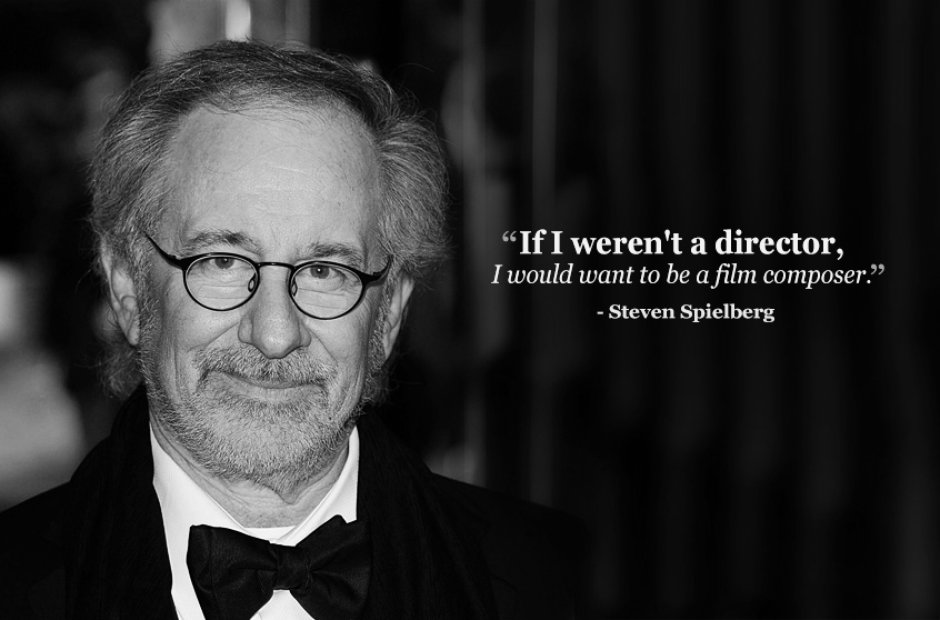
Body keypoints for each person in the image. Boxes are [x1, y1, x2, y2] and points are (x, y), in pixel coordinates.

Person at [0, 41, 581, 619]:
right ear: (127, 286)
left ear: (389, 313)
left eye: (326, 270)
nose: (276, 335)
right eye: (222, 261)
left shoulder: (547, 583)